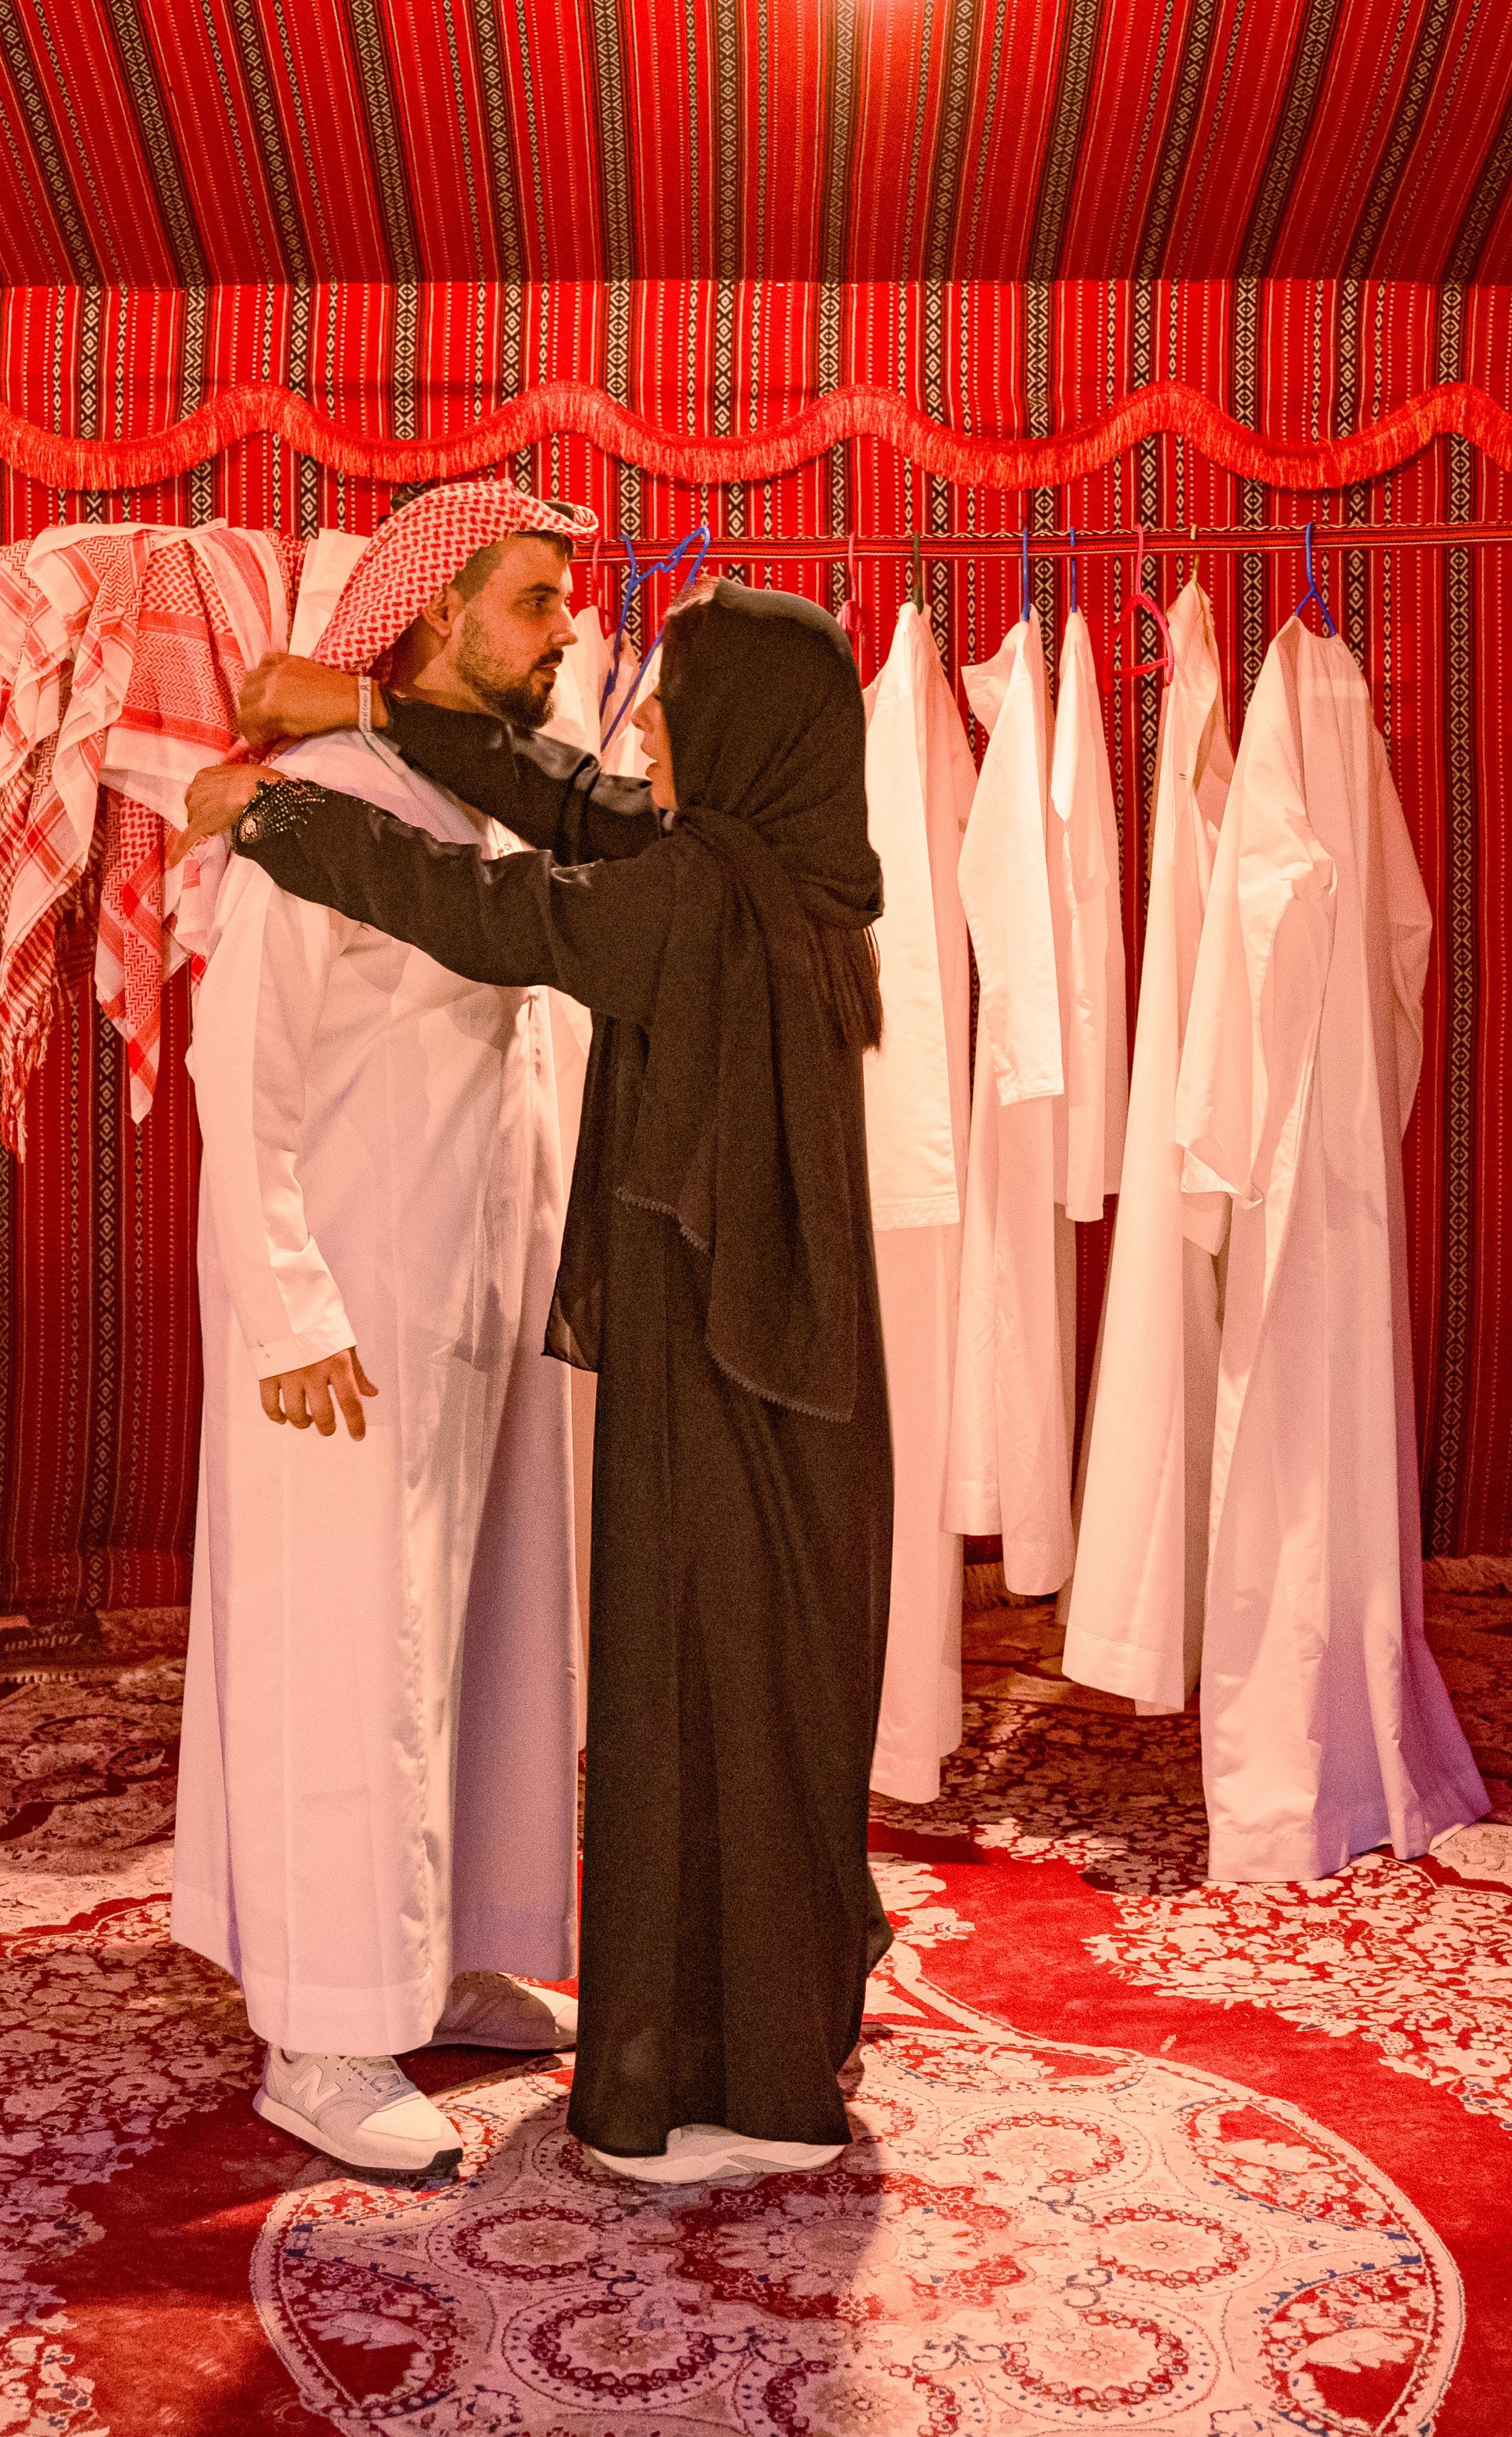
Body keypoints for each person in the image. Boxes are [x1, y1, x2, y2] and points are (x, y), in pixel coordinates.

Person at [195, 578, 894, 2186]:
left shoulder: (702, 893)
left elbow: (504, 911)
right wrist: (359, 722)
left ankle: (727, 2072)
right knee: (517, 1662)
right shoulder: (786, 861)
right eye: (546, 609)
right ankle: (368, 2003)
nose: (627, 717)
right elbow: (571, 802)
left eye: (668, 703)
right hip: (713, 1373)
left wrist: (276, 815)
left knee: (698, 1688)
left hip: (724, 1388)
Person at [173, 482, 602, 2186]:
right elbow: (243, 1080)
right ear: (433, 617)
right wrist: (285, 1305)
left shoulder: (486, 804)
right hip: (339, 1314)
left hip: (481, 1300)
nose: (565, 633)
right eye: (533, 605)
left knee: (485, 1624)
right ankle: (326, 2026)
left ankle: (449, 1944)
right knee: (346, 1653)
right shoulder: (321, 812)